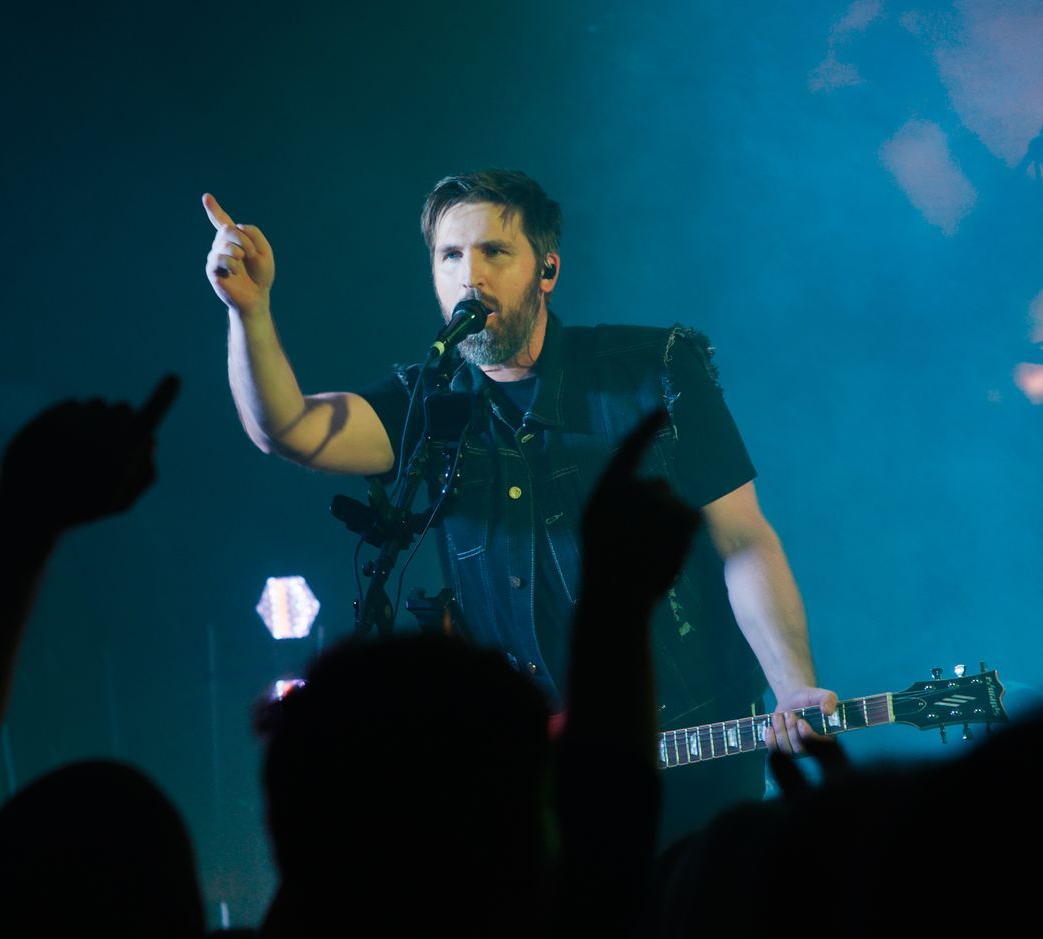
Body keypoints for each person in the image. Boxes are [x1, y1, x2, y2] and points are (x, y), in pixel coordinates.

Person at [202, 170, 834, 836]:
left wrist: (793, 684)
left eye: (494, 252)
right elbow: (288, 429)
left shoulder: (653, 369)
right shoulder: (429, 407)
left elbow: (743, 541)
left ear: (547, 269)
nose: (469, 276)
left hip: (695, 754)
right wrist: (250, 312)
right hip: (551, 788)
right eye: (450, 256)